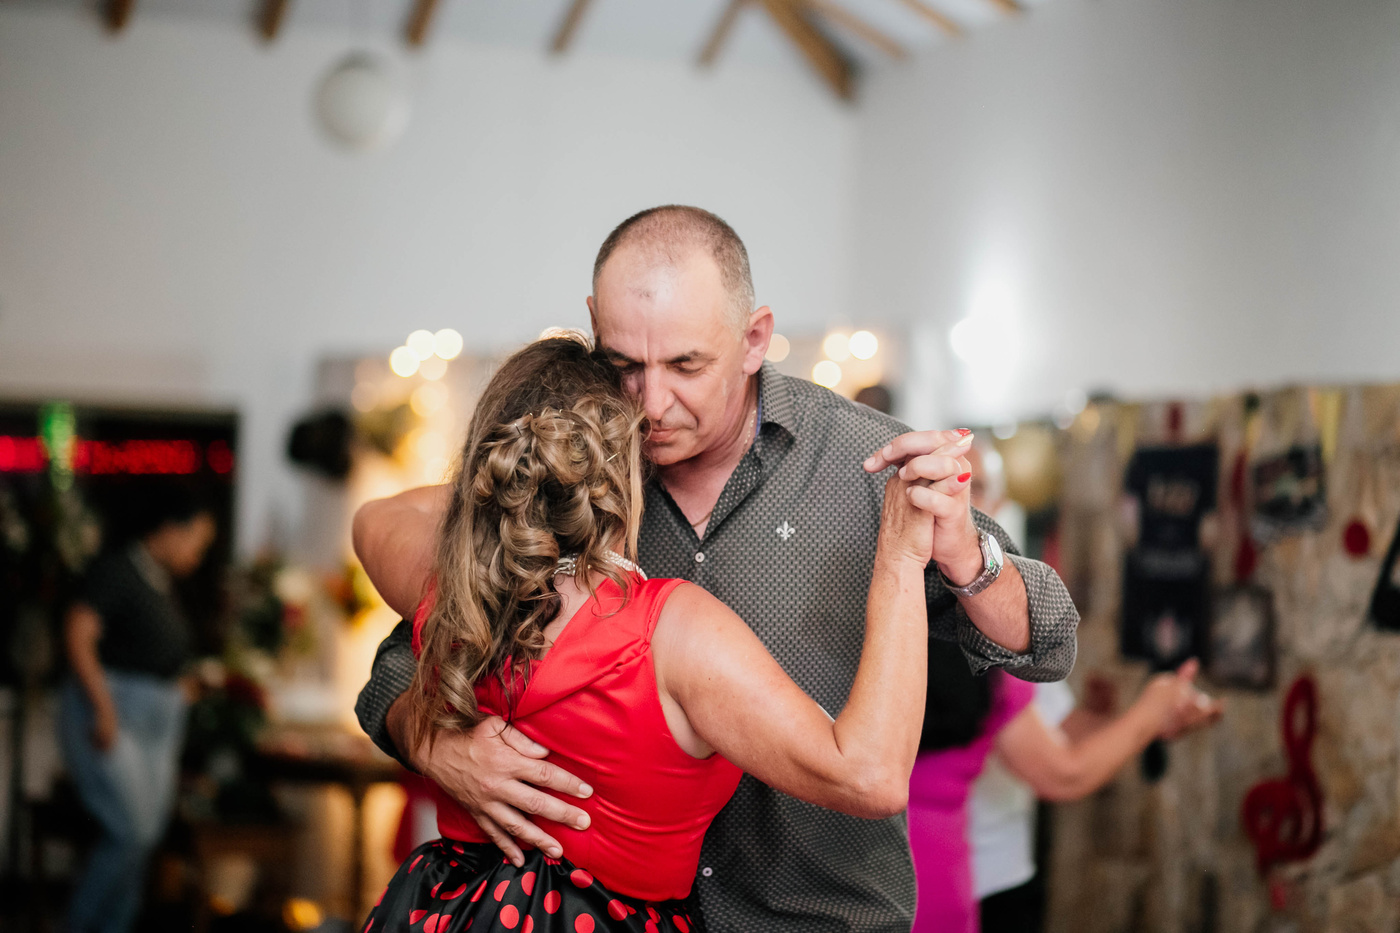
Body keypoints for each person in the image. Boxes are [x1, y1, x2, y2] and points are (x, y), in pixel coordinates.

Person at [354, 205, 1081, 932]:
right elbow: (415, 648)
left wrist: (967, 557)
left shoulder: (867, 465)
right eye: (625, 365)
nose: (652, 403)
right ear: (595, 326)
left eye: (686, 366)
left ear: (753, 338)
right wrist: (434, 741)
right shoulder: (578, 472)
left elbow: (1048, 639)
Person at [365, 334, 942, 932]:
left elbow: (376, 518)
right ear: (626, 465)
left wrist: (499, 500)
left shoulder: (450, 592)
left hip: (447, 910)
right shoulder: (671, 632)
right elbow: (869, 777)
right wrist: (901, 557)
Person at [961, 441, 1223, 933]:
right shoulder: (942, 618)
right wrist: (1148, 714)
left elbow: (1059, 725)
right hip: (956, 873)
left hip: (1006, 866)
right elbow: (1061, 774)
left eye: (977, 488)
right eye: (951, 486)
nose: (965, 502)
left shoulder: (1012, 611)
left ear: (1000, 504)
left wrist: (1151, 721)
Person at [58, 486, 216, 933]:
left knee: (145, 839)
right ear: (170, 529)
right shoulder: (117, 569)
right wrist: (104, 709)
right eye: (196, 542)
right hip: (116, 715)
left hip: (152, 721)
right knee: (130, 832)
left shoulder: (160, 582)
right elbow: (78, 635)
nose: (198, 556)